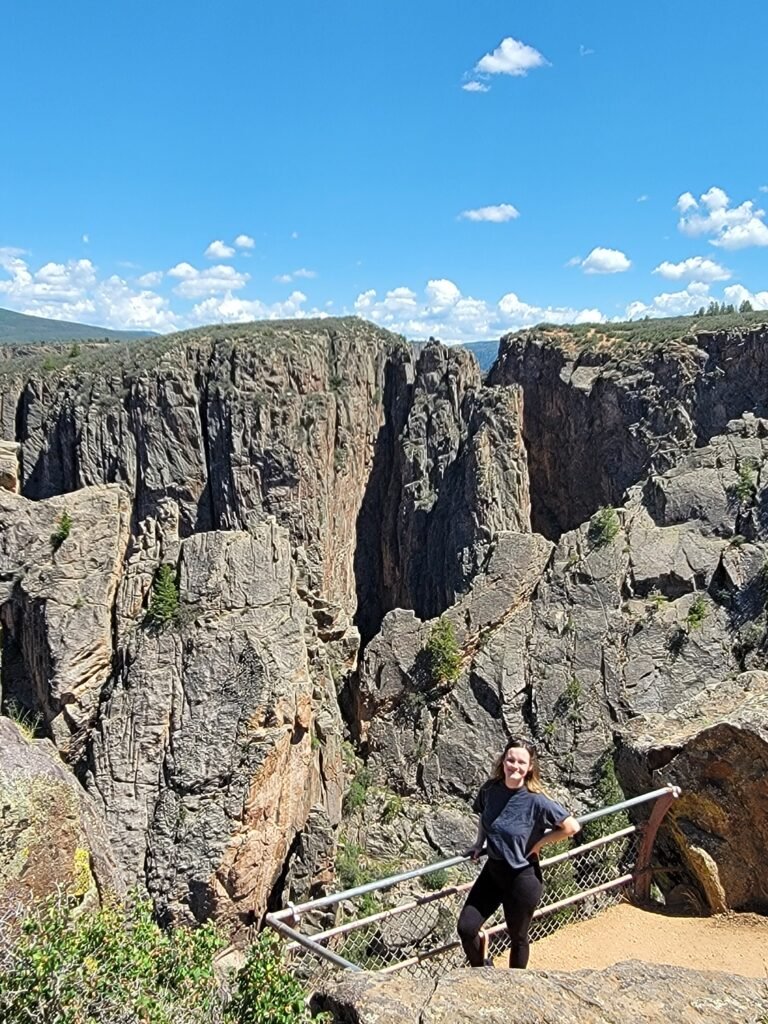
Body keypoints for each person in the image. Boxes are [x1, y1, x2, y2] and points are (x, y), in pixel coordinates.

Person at [457, 736, 581, 969]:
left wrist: (540, 843)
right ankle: (482, 970)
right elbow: (485, 816)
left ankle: (515, 987)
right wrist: (478, 843)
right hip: (493, 872)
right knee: (466, 927)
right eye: (510, 760)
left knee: (518, 937)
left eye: (521, 762)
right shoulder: (490, 790)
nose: (514, 766)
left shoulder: (536, 801)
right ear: (503, 761)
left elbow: (571, 827)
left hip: (522, 877)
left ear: (530, 767)